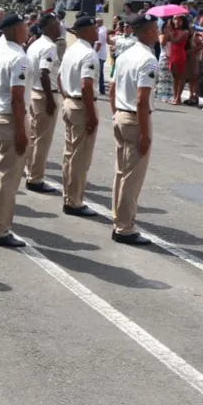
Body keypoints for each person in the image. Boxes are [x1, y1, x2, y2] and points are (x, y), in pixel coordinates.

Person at [109, 13, 160, 246]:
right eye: (155, 29)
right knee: (132, 178)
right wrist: (145, 133)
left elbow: (112, 89)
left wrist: (115, 113)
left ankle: (118, 220)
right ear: (148, 32)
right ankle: (125, 228)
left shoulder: (125, 55)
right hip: (135, 118)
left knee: (122, 173)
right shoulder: (148, 59)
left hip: (121, 113)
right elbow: (142, 99)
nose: (158, 33)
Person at [0, 13, 31, 247]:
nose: (28, 30)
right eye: (24, 27)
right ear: (13, 30)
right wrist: (22, 131)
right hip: (10, 120)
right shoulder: (18, 57)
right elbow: (17, 99)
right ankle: (0, 230)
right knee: (8, 179)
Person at [58, 15, 100, 217]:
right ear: (84, 31)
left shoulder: (71, 50)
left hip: (70, 102)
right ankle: (74, 202)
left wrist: (67, 96)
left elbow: (59, 77)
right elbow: (86, 85)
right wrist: (91, 114)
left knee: (70, 154)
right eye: (94, 27)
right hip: (81, 105)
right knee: (80, 158)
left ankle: (69, 196)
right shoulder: (88, 53)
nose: (97, 31)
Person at [24, 13, 61, 194]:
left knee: (34, 136)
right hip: (44, 95)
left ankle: (29, 170)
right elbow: (44, 73)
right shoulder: (49, 46)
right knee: (42, 140)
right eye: (57, 24)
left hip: (33, 93)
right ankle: (35, 178)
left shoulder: (35, 44)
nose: (60, 27)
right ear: (51, 27)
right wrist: (50, 99)